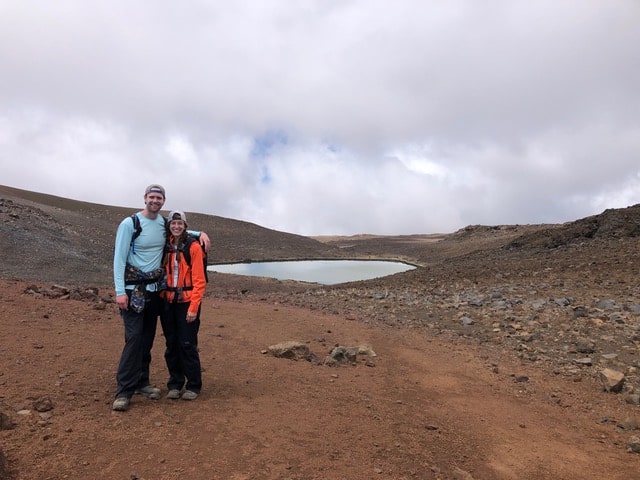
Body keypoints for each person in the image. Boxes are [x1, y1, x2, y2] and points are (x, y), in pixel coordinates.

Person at [112, 184, 210, 412]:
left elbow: (180, 231)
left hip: (155, 291)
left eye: (159, 198)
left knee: (146, 338)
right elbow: (118, 259)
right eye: (151, 197)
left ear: (163, 201)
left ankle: (142, 382)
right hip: (132, 289)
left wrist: (199, 233)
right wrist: (119, 291)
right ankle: (124, 391)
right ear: (145, 198)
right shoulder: (130, 224)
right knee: (134, 338)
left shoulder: (162, 224)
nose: (155, 201)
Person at [160, 210, 206, 401]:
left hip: (187, 302)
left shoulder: (193, 247)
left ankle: (194, 384)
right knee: (171, 343)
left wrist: (194, 308)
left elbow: (200, 281)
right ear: (169, 226)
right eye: (173, 224)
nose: (176, 226)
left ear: (185, 226)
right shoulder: (165, 245)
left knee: (187, 344)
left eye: (180, 224)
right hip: (168, 301)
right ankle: (175, 383)